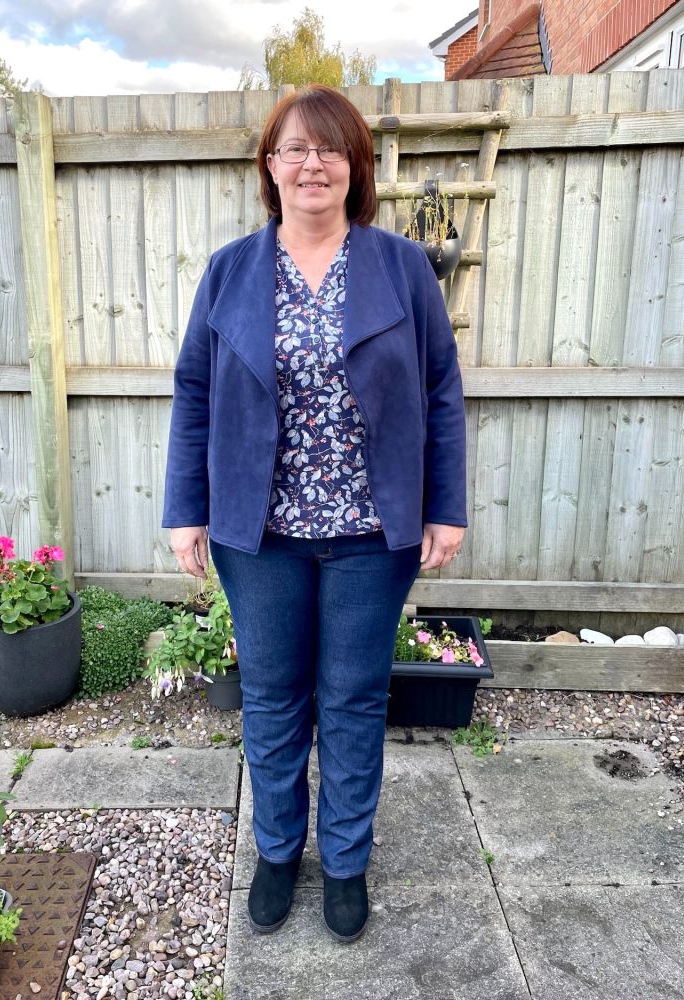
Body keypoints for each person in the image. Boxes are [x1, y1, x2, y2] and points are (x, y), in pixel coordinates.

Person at [162, 84, 467, 944]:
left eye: (330, 149)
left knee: (355, 698)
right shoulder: (230, 271)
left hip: (373, 534)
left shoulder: (402, 266)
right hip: (259, 536)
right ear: (270, 166)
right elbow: (194, 392)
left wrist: (445, 505)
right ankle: (274, 851)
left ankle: (343, 864)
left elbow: (442, 391)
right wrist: (187, 507)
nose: (312, 163)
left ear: (355, 167)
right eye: (294, 149)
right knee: (270, 696)